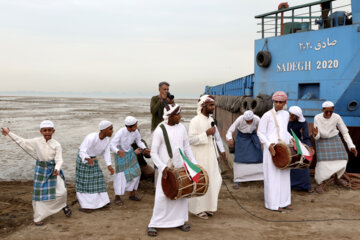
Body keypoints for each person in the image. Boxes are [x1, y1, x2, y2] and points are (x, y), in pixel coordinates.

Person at [1, 120, 71, 226]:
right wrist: (9, 134)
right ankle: (38, 218)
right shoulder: (36, 141)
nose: (47, 132)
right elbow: (22, 141)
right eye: (45, 130)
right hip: (41, 170)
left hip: (54, 170)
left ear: (53, 131)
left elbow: (59, 159)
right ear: (41, 131)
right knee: (39, 195)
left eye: (49, 130)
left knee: (62, 192)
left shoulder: (57, 144)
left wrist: (57, 168)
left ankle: (63, 205)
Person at [147, 104, 196, 237]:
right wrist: (162, 167)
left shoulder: (181, 128)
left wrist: (193, 164)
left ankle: (180, 221)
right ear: (170, 116)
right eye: (178, 114)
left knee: (181, 195)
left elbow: (186, 147)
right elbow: (153, 152)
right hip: (166, 170)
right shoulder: (160, 129)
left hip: (180, 168)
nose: (180, 116)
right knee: (162, 196)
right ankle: (154, 223)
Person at [188, 95, 225, 220]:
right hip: (199, 156)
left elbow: (215, 138)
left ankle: (208, 207)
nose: (213, 108)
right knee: (200, 181)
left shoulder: (210, 120)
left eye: (213, 105)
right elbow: (191, 140)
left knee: (214, 180)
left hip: (211, 156)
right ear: (204, 106)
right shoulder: (195, 121)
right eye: (211, 105)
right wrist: (206, 133)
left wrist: (219, 153)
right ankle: (197, 209)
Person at [257, 91, 293, 211]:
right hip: (271, 149)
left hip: (283, 148)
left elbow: (284, 131)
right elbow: (260, 132)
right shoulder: (267, 115)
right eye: (276, 102)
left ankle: (284, 202)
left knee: (284, 175)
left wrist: (292, 140)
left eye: (280, 102)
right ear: (273, 102)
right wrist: (268, 145)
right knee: (272, 177)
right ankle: (272, 205)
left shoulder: (286, 115)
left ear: (285, 103)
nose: (278, 104)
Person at [313, 101, 358, 193]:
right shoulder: (317, 118)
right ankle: (319, 183)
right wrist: (316, 134)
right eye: (326, 111)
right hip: (321, 139)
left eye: (331, 111)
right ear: (323, 110)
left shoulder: (337, 117)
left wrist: (351, 146)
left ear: (333, 110)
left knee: (343, 158)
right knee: (322, 162)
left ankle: (337, 178)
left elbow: (345, 132)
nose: (329, 113)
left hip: (334, 138)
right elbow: (316, 136)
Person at [75, 120, 115, 213]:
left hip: (93, 159)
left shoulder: (106, 140)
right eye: (110, 129)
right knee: (85, 182)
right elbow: (82, 151)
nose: (112, 131)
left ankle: (102, 202)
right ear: (103, 130)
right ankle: (86, 205)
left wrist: (109, 165)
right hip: (83, 159)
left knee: (98, 178)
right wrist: (87, 159)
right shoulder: (91, 137)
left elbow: (106, 153)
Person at [110, 116, 150, 206]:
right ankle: (117, 197)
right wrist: (117, 151)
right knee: (120, 176)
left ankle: (132, 194)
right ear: (128, 127)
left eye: (136, 125)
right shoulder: (121, 132)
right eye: (135, 126)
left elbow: (139, 141)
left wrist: (145, 148)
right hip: (121, 155)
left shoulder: (135, 131)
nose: (136, 128)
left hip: (131, 153)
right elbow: (112, 144)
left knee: (137, 172)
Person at [226, 110, 263, 189]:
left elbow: (261, 130)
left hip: (253, 137)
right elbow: (230, 131)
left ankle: (259, 176)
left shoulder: (257, 119)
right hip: (242, 138)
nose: (249, 123)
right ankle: (237, 180)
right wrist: (229, 139)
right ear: (244, 119)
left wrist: (261, 141)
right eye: (247, 121)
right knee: (239, 158)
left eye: (250, 121)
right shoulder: (240, 119)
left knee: (258, 155)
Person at [287, 106, 314, 192]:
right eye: (294, 116)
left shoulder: (303, 122)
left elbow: (306, 137)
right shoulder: (283, 120)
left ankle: (306, 186)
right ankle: (288, 185)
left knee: (304, 161)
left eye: (297, 117)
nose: (296, 118)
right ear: (291, 114)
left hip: (298, 142)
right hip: (285, 142)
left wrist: (309, 147)